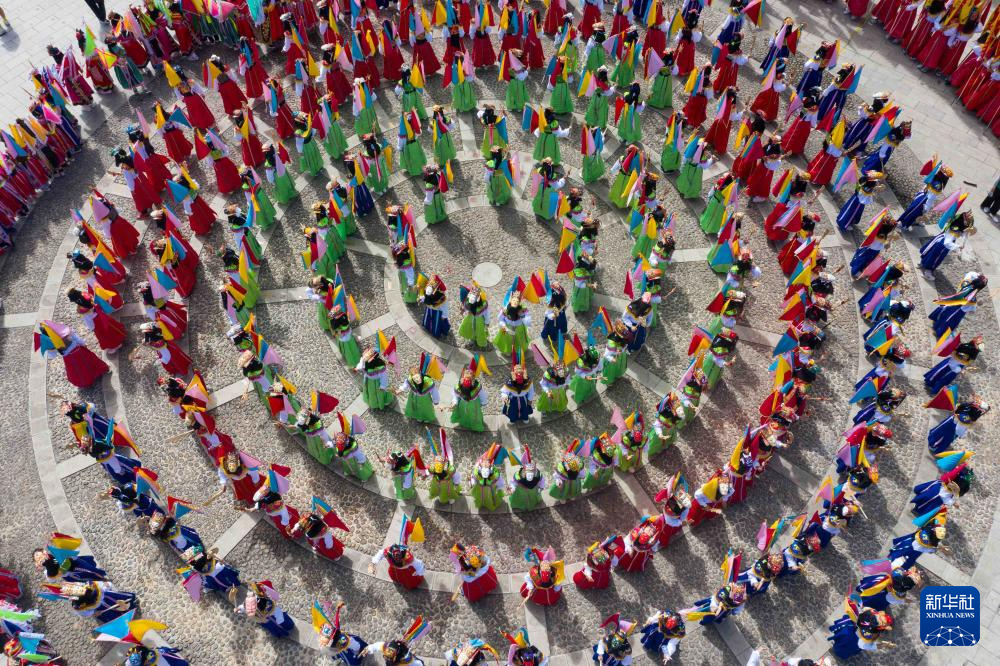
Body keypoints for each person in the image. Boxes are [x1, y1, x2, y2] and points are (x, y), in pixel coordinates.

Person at [827, 600, 895, 660]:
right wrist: (884, 644)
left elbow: (862, 609)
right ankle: (838, 651)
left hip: (849, 628)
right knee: (843, 648)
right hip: (853, 640)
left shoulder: (872, 611)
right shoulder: (871, 635)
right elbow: (870, 646)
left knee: (841, 638)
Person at [469, 446, 508, 511]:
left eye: (487, 462)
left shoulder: (493, 469)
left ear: (490, 464)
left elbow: (497, 476)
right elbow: (474, 475)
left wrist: (493, 477)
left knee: (489, 497)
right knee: (480, 497)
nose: (485, 464)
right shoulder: (477, 469)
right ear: (481, 463)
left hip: (489, 489)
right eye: (484, 462)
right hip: (479, 488)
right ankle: (481, 504)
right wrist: (475, 478)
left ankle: (489, 503)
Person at [452, 366, 488, 431]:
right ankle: (468, 424)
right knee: (467, 414)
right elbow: (455, 396)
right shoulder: (459, 387)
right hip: (469, 405)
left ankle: (474, 426)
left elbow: (482, 395)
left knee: (473, 415)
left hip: (472, 405)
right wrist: (455, 402)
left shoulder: (477, 387)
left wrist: (483, 402)